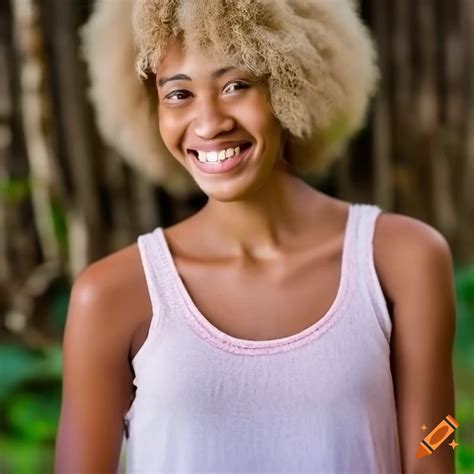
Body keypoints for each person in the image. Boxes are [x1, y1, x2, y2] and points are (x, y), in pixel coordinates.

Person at [54, 0, 457, 473]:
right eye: (178, 94)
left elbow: (437, 439)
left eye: (236, 85)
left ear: (293, 82)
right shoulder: (111, 295)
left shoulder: (403, 259)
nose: (208, 123)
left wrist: (441, 438)